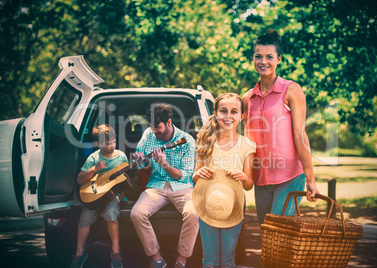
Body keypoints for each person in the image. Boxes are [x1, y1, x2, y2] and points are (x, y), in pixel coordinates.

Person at [242, 29, 319, 225]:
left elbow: (300, 136)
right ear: (253, 58)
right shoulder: (247, 97)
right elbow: (246, 144)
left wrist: (310, 179)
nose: (263, 61)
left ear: (279, 59)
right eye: (258, 56)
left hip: (290, 177)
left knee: (277, 230)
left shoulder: (291, 90)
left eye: (269, 56)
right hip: (261, 180)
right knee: (267, 236)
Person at [130, 103, 198, 268]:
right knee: (136, 213)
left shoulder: (187, 141)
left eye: (157, 127)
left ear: (169, 122)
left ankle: (181, 260)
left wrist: (166, 165)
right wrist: (139, 160)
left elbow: (186, 175)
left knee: (193, 213)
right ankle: (157, 258)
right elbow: (140, 163)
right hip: (157, 185)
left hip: (182, 186)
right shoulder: (148, 134)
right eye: (151, 127)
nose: (154, 131)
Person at [192, 93, 256, 267]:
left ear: (242, 116)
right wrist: (200, 173)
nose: (228, 116)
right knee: (210, 260)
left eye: (234, 111)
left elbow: (249, 185)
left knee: (228, 260)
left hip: (233, 205)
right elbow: (195, 177)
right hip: (207, 204)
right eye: (223, 111)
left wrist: (243, 176)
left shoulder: (247, 145)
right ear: (215, 113)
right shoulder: (205, 142)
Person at [71, 124, 126, 268]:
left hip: (111, 195)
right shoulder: (93, 157)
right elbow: (80, 179)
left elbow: (125, 179)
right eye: (108, 143)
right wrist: (95, 169)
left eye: (114, 142)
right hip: (94, 195)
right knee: (85, 218)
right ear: (98, 144)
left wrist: (122, 197)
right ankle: (79, 253)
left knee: (111, 213)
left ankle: (116, 252)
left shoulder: (121, 157)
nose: (112, 145)